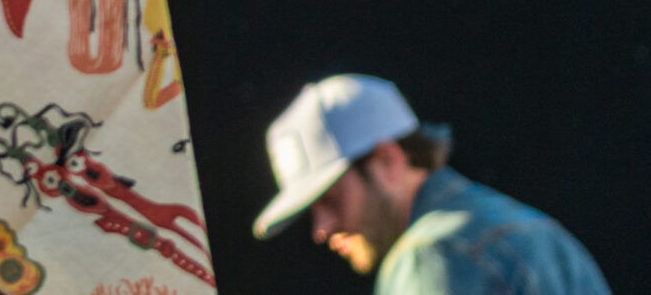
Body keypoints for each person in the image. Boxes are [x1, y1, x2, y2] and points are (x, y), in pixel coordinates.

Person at [253, 74, 610, 294]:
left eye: (330, 199)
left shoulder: (430, 255)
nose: (321, 229)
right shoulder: (542, 234)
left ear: (388, 161)